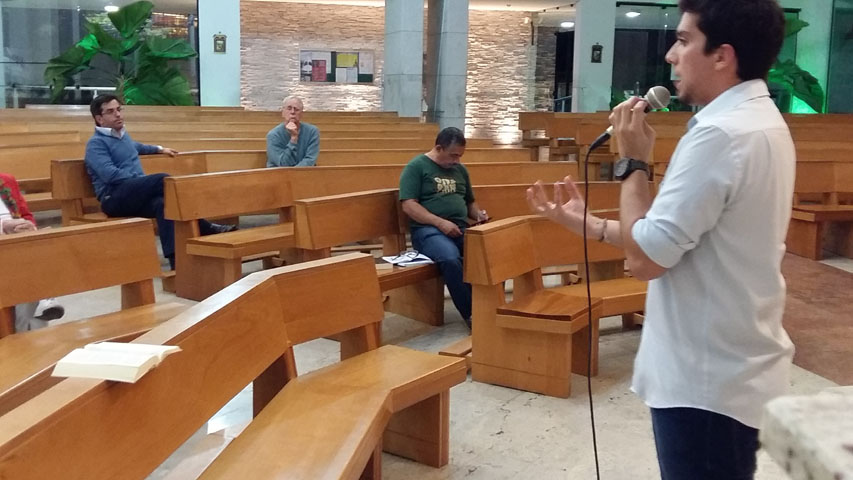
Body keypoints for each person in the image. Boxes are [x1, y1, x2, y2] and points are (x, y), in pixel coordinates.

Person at [527, 1, 794, 478]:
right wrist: (593, 225)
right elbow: (677, 240)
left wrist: (632, 162)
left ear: (722, 56)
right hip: (731, 365)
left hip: (706, 380)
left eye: (684, 40)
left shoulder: (720, 135)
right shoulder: (759, 120)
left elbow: (647, 259)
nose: (670, 55)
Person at [85, 94, 235, 270]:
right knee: (163, 179)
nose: (118, 114)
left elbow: (137, 147)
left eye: (119, 109)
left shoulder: (122, 136)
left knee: (163, 205)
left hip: (133, 195)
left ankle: (176, 263)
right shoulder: (96, 144)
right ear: (99, 119)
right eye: (111, 112)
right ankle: (207, 227)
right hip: (113, 198)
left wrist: (159, 149)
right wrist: (140, 181)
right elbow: (109, 174)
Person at [399, 127, 488, 329]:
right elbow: (409, 205)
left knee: (490, 252)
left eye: (460, 156)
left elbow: (469, 202)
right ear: (439, 148)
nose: (457, 160)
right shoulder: (416, 167)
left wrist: (478, 215)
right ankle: (473, 314)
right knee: (450, 258)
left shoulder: (460, 170)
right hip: (428, 230)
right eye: (453, 155)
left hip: (459, 227)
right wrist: (440, 222)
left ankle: (489, 307)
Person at [0, 173, 65, 332]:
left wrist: (28, 226)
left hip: (16, 245)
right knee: (27, 262)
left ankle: (28, 335)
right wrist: (3, 227)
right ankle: (45, 300)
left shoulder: (6, 180)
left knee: (34, 250)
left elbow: (26, 215)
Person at [266, 96, 320, 167]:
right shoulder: (273, 135)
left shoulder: (312, 132)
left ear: (301, 113)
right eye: (289, 108)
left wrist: (296, 172)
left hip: (304, 172)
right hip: (279, 172)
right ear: (283, 112)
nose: (292, 112)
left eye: (296, 109)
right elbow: (283, 164)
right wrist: (293, 139)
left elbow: (310, 159)